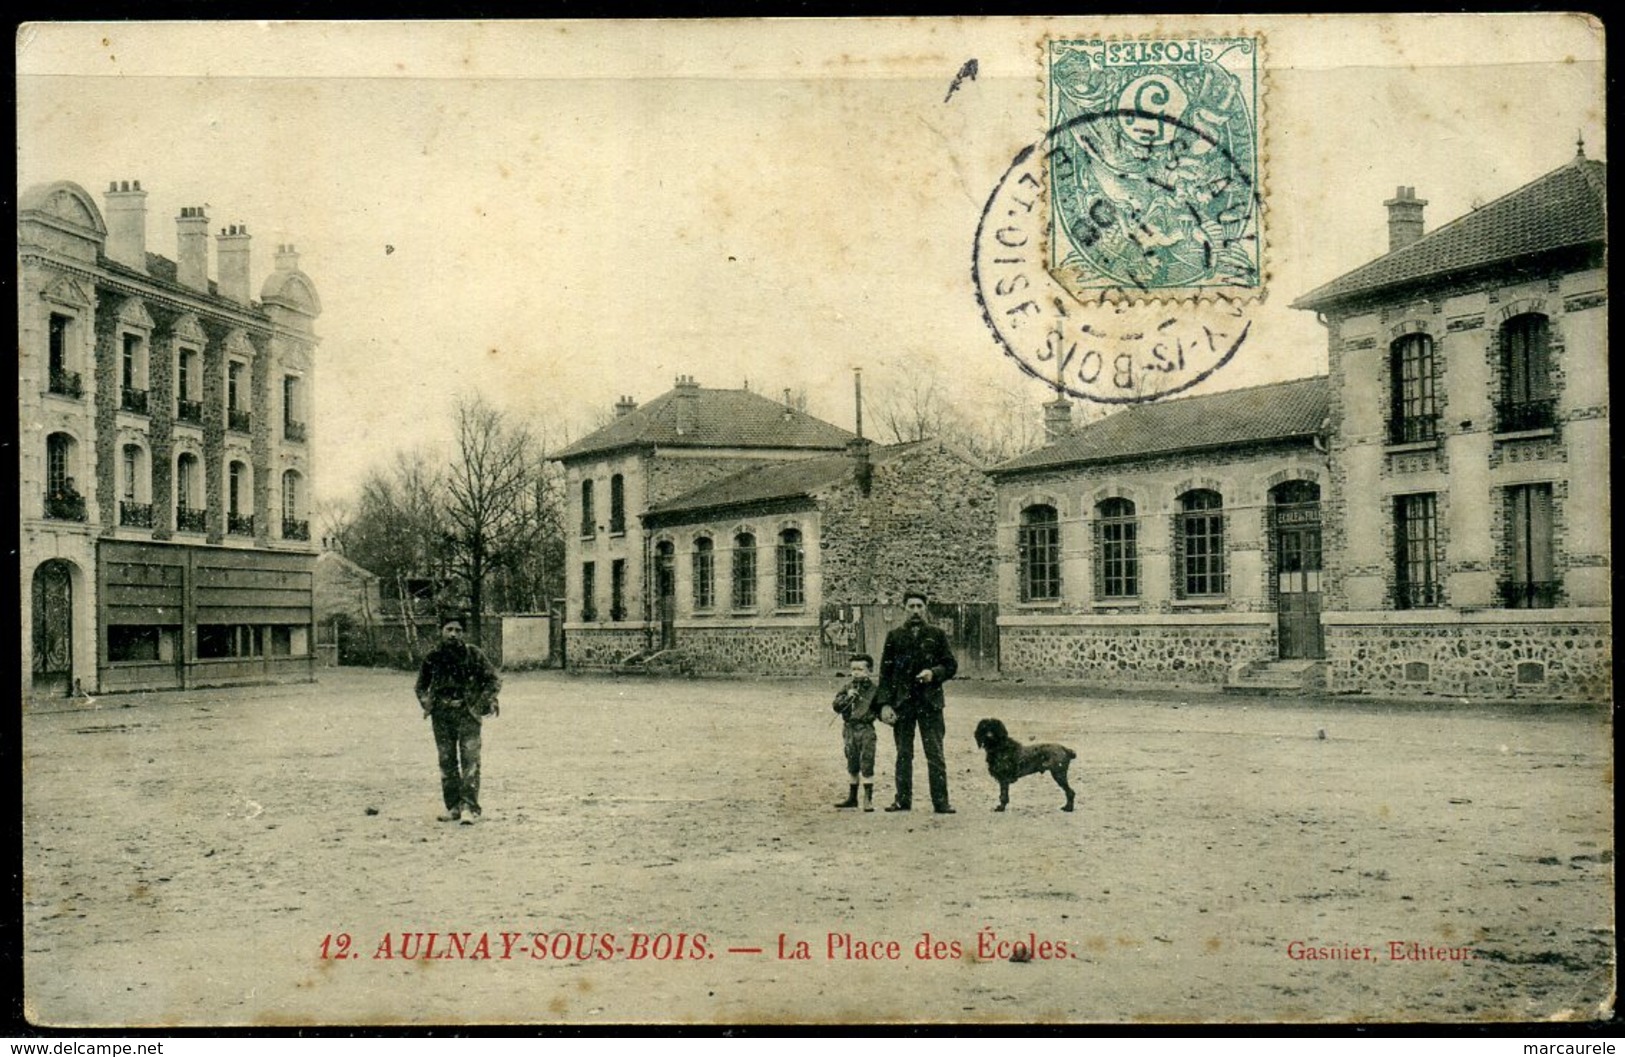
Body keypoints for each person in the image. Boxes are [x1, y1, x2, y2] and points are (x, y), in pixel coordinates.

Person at [877, 591, 958, 814]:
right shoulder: (894, 636)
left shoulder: (937, 635)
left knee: (935, 754)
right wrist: (884, 705)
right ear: (904, 609)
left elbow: (951, 665)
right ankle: (903, 801)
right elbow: (885, 674)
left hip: (930, 704)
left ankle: (941, 802)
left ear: (925, 608)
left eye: (919, 606)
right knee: (903, 753)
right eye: (911, 606)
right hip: (903, 704)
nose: (915, 611)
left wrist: (934, 673)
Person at [414, 618, 501, 824]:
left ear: (464, 633)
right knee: (446, 761)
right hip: (442, 715)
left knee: (470, 760)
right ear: (441, 631)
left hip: (467, 713)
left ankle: (469, 808)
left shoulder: (474, 655)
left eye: (458, 630)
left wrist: (482, 702)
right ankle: (452, 807)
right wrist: (428, 703)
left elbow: (494, 680)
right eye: (449, 629)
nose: (453, 634)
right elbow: (420, 686)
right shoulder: (433, 657)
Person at [831, 653, 880, 812]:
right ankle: (852, 798)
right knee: (852, 761)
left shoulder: (874, 690)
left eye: (860, 669)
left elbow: (881, 708)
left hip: (866, 729)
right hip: (849, 728)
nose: (856, 672)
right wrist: (847, 698)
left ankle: (867, 798)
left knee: (867, 760)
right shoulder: (847, 687)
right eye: (853, 669)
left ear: (869, 670)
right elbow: (836, 705)